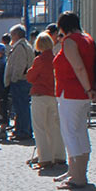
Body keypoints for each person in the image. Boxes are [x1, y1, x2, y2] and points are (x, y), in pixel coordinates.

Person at [53, 11, 96, 189]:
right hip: (82, 93)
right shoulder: (87, 39)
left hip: (71, 92)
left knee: (70, 133)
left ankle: (78, 177)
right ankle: (77, 171)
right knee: (80, 132)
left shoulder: (70, 42)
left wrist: (88, 88)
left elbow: (78, 67)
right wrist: (90, 89)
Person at [24, 31, 64, 171]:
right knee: (54, 127)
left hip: (40, 95)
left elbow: (30, 77)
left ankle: (45, 158)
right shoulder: (56, 58)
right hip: (54, 95)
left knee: (40, 128)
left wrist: (29, 71)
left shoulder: (39, 60)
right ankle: (59, 155)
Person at [4, 24, 34, 143]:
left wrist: (14, 79)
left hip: (20, 81)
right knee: (22, 107)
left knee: (21, 107)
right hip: (23, 80)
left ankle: (23, 131)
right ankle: (22, 129)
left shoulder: (20, 47)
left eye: (12, 35)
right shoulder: (25, 45)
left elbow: (19, 65)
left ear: (16, 35)